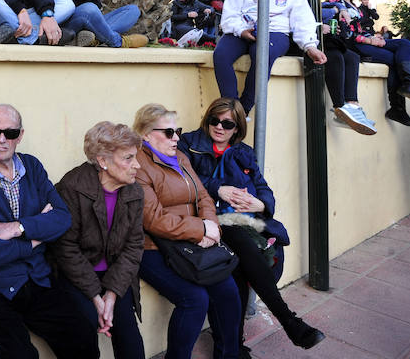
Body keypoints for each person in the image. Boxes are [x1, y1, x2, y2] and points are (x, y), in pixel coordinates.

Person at [179, 98, 326, 357]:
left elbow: (262, 186)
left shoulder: (243, 152)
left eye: (227, 124)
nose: (219, 127)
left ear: (237, 128)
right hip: (207, 219)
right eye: (215, 120)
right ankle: (288, 321)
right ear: (207, 120)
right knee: (240, 249)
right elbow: (183, 178)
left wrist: (261, 204)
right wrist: (219, 188)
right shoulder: (189, 144)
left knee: (239, 267)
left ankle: (232, 348)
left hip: (242, 222)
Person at [0, 104, 98, 359]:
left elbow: (62, 218)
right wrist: (33, 241)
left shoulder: (32, 167)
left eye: (10, 133)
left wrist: (18, 228)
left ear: (20, 135)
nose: (1, 139)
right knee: (20, 354)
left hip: (34, 279)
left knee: (82, 336)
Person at [132, 103, 242, 359]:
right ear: (145, 134)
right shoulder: (139, 165)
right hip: (153, 247)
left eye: (177, 131)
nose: (176, 138)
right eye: (168, 132)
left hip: (191, 242)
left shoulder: (180, 157)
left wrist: (211, 228)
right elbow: (153, 219)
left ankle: (229, 354)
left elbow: (203, 196)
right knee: (195, 300)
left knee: (228, 290)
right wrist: (199, 228)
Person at [50, 122, 146, 359]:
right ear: (103, 161)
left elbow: (134, 246)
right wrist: (96, 297)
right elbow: (65, 248)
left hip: (114, 274)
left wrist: (111, 296)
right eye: (128, 158)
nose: (137, 165)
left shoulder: (134, 192)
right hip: (76, 275)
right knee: (83, 333)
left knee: (131, 343)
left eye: (135, 157)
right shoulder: (72, 187)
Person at [214, 0, 327, 114]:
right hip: (243, 30)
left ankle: (243, 110)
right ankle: (230, 107)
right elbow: (230, 14)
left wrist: (310, 46)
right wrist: (242, 30)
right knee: (221, 54)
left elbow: (303, 19)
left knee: (262, 53)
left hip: (276, 33)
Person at [325, 0, 410, 126]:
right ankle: (398, 108)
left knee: (404, 44)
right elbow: (347, 34)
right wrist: (369, 41)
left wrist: (374, 37)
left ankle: (409, 85)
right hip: (354, 46)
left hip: (364, 41)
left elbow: (359, 29)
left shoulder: (353, 5)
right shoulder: (337, 3)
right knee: (394, 58)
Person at [320, 5, 375, 134]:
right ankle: (340, 109)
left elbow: (326, 5)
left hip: (325, 37)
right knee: (335, 56)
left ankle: (352, 105)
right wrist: (333, 11)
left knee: (352, 57)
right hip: (306, 38)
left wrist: (341, 8)